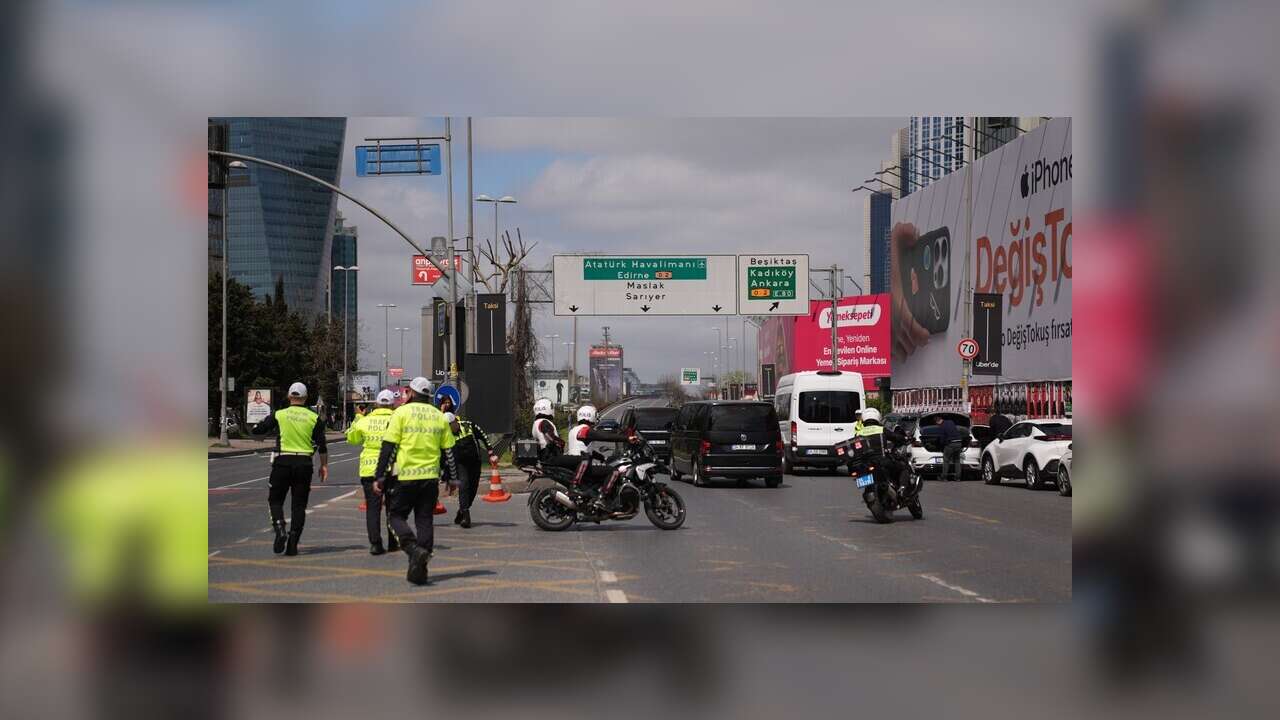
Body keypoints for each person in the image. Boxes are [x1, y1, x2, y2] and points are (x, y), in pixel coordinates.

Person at [372, 376, 458, 585]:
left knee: (395, 516)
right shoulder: (438, 416)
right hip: (429, 478)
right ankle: (421, 569)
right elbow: (449, 450)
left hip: (405, 477)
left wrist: (380, 476)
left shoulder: (400, 413)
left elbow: (389, 448)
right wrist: (453, 478)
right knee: (425, 521)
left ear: (411, 393)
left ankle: (412, 548)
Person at [252, 382, 328, 556]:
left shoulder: (280, 414)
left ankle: (279, 528)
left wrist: (260, 433)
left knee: (275, 500)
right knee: (299, 505)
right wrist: (324, 466)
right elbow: (322, 445)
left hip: (282, 462)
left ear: (289, 397)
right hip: (304, 464)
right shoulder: (314, 417)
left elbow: (258, 430)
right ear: (306, 398)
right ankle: (293, 543)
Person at [346, 389, 398, 555]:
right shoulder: (397, 420)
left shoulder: (365, 420)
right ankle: (393, 542)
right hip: (393, 468)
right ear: (392, 405)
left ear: (376, 404)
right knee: (393, 507)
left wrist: (359, 417)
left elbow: (352, 439)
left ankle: (375, 544)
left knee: (373, 508)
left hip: (369, 469)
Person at [566, 404, 638, 504]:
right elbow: (604, 436)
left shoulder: (573, 430)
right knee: (614, 472)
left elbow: (586, 450)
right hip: (583, 467)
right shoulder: (585, 430)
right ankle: (602, 498)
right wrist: (627, 438)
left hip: (574, 464)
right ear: (590, 416)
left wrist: (602, 457)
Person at [445, 410, 498, 528]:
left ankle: (461, 511)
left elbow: (483, 435)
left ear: (455, 422)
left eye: (449, 425)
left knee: (473, 488)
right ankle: (466, 516)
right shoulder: (446, 435)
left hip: (475, 462)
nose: (449, 428)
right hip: (461, 464)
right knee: (464, 485)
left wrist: (490, 450)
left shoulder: (468, 425)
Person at [937, 415, 965, 481]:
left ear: (937, 421)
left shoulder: (942, 426)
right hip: (959, 443)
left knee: (946, 460)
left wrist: (941, 444)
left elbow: (942, 438)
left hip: (951, 444)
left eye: (937, 424)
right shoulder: (951, 422)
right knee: (957, 460)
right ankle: (958, 477)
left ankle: (944, 477)